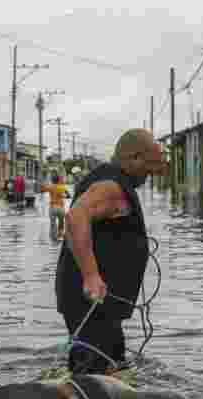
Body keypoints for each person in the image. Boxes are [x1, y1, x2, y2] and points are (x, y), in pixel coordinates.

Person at [54, 128, 168, 374]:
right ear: (135, 158)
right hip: (91, 303)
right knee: (91, 377)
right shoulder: (112, 187)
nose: (149, 176)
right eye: (148, 168)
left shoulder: (111, 181)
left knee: (114, 368)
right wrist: (91, 275)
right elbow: (75, 218)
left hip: (102, 306)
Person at [42, 173, 69, 239]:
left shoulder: (51, 187)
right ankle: (60, 234)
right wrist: (63, 196)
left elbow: (42, 189)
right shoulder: (62, 187)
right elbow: (68, 195)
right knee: (61, 222)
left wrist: (45, 182)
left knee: (53, 223)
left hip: (53, 207)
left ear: (52, 180)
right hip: (61, 207)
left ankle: (53, 236)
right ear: (58, 180)